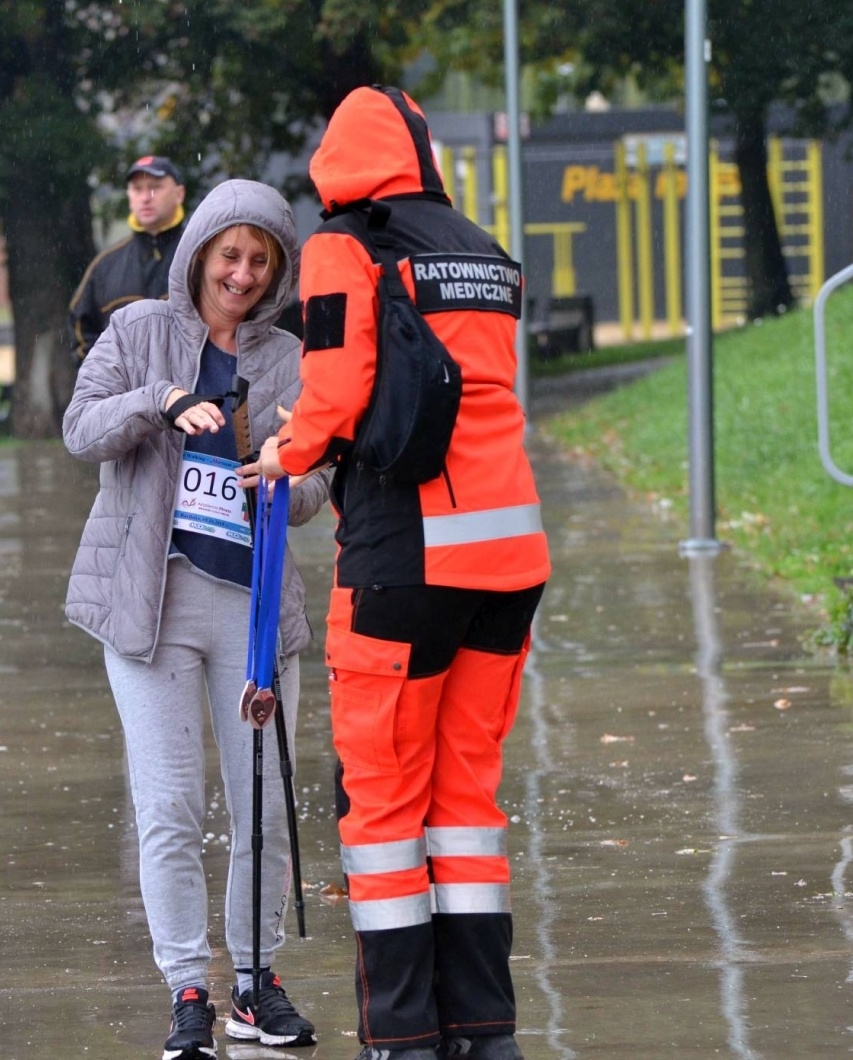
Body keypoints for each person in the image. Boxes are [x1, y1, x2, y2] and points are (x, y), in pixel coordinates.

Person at [250, 87, 550, 1060]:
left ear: (335, 164)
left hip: (404, 562)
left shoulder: (346, 248)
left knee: (381, 807)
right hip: (509, 563)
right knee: (464, 798)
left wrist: (280, 455)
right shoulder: (483, 253)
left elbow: (334, 392)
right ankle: (483, 1032)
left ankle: (404, 1037)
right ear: (420, 152)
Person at [63, 179, 330, 1060]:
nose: (243, 275)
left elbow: (323, 478)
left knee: (261, 807)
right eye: (229, 257)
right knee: (170, 806)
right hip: (151, 610)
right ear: (199, 256)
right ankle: (187, 989)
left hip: (252, 613)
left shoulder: (292, 356)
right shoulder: (138, 329)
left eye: (260, 261)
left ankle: (255, 983)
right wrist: (162, 402)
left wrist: (283, 476)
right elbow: (80, 427)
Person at [69, 155, 188, 361]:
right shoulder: (104, 266)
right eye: (137, 189)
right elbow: (81, 330)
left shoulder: (202, 255)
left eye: (155, 187)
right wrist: (103, 381)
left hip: (191, 390)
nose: (145, 197)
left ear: (179, 194)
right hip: (123, 392)